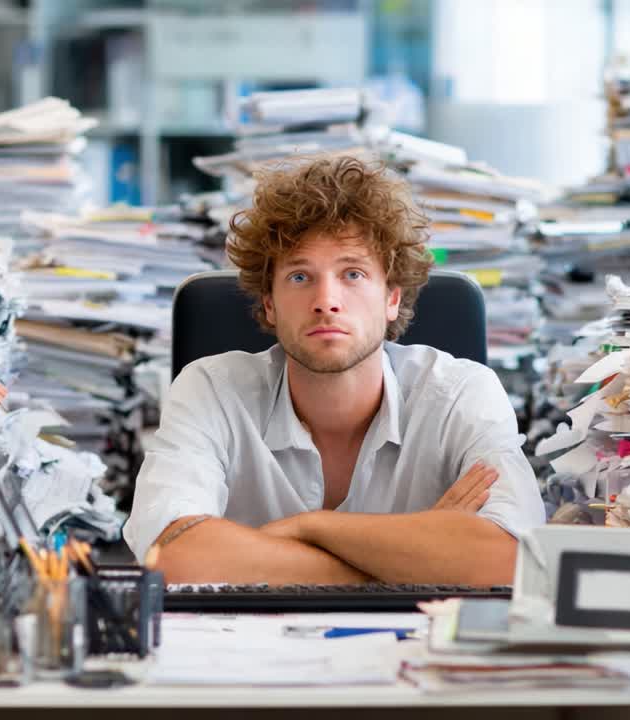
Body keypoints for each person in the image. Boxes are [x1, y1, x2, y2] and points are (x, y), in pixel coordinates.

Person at [123, 154, 545, 585]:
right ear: (269, 303)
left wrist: (312, 527)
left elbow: (510, 560)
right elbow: (171, 555)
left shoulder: (460, 392)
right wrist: (409, 560)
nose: (327, 300)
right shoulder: (210, 389)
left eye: (353, 274)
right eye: (300, 278)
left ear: (392, 299)